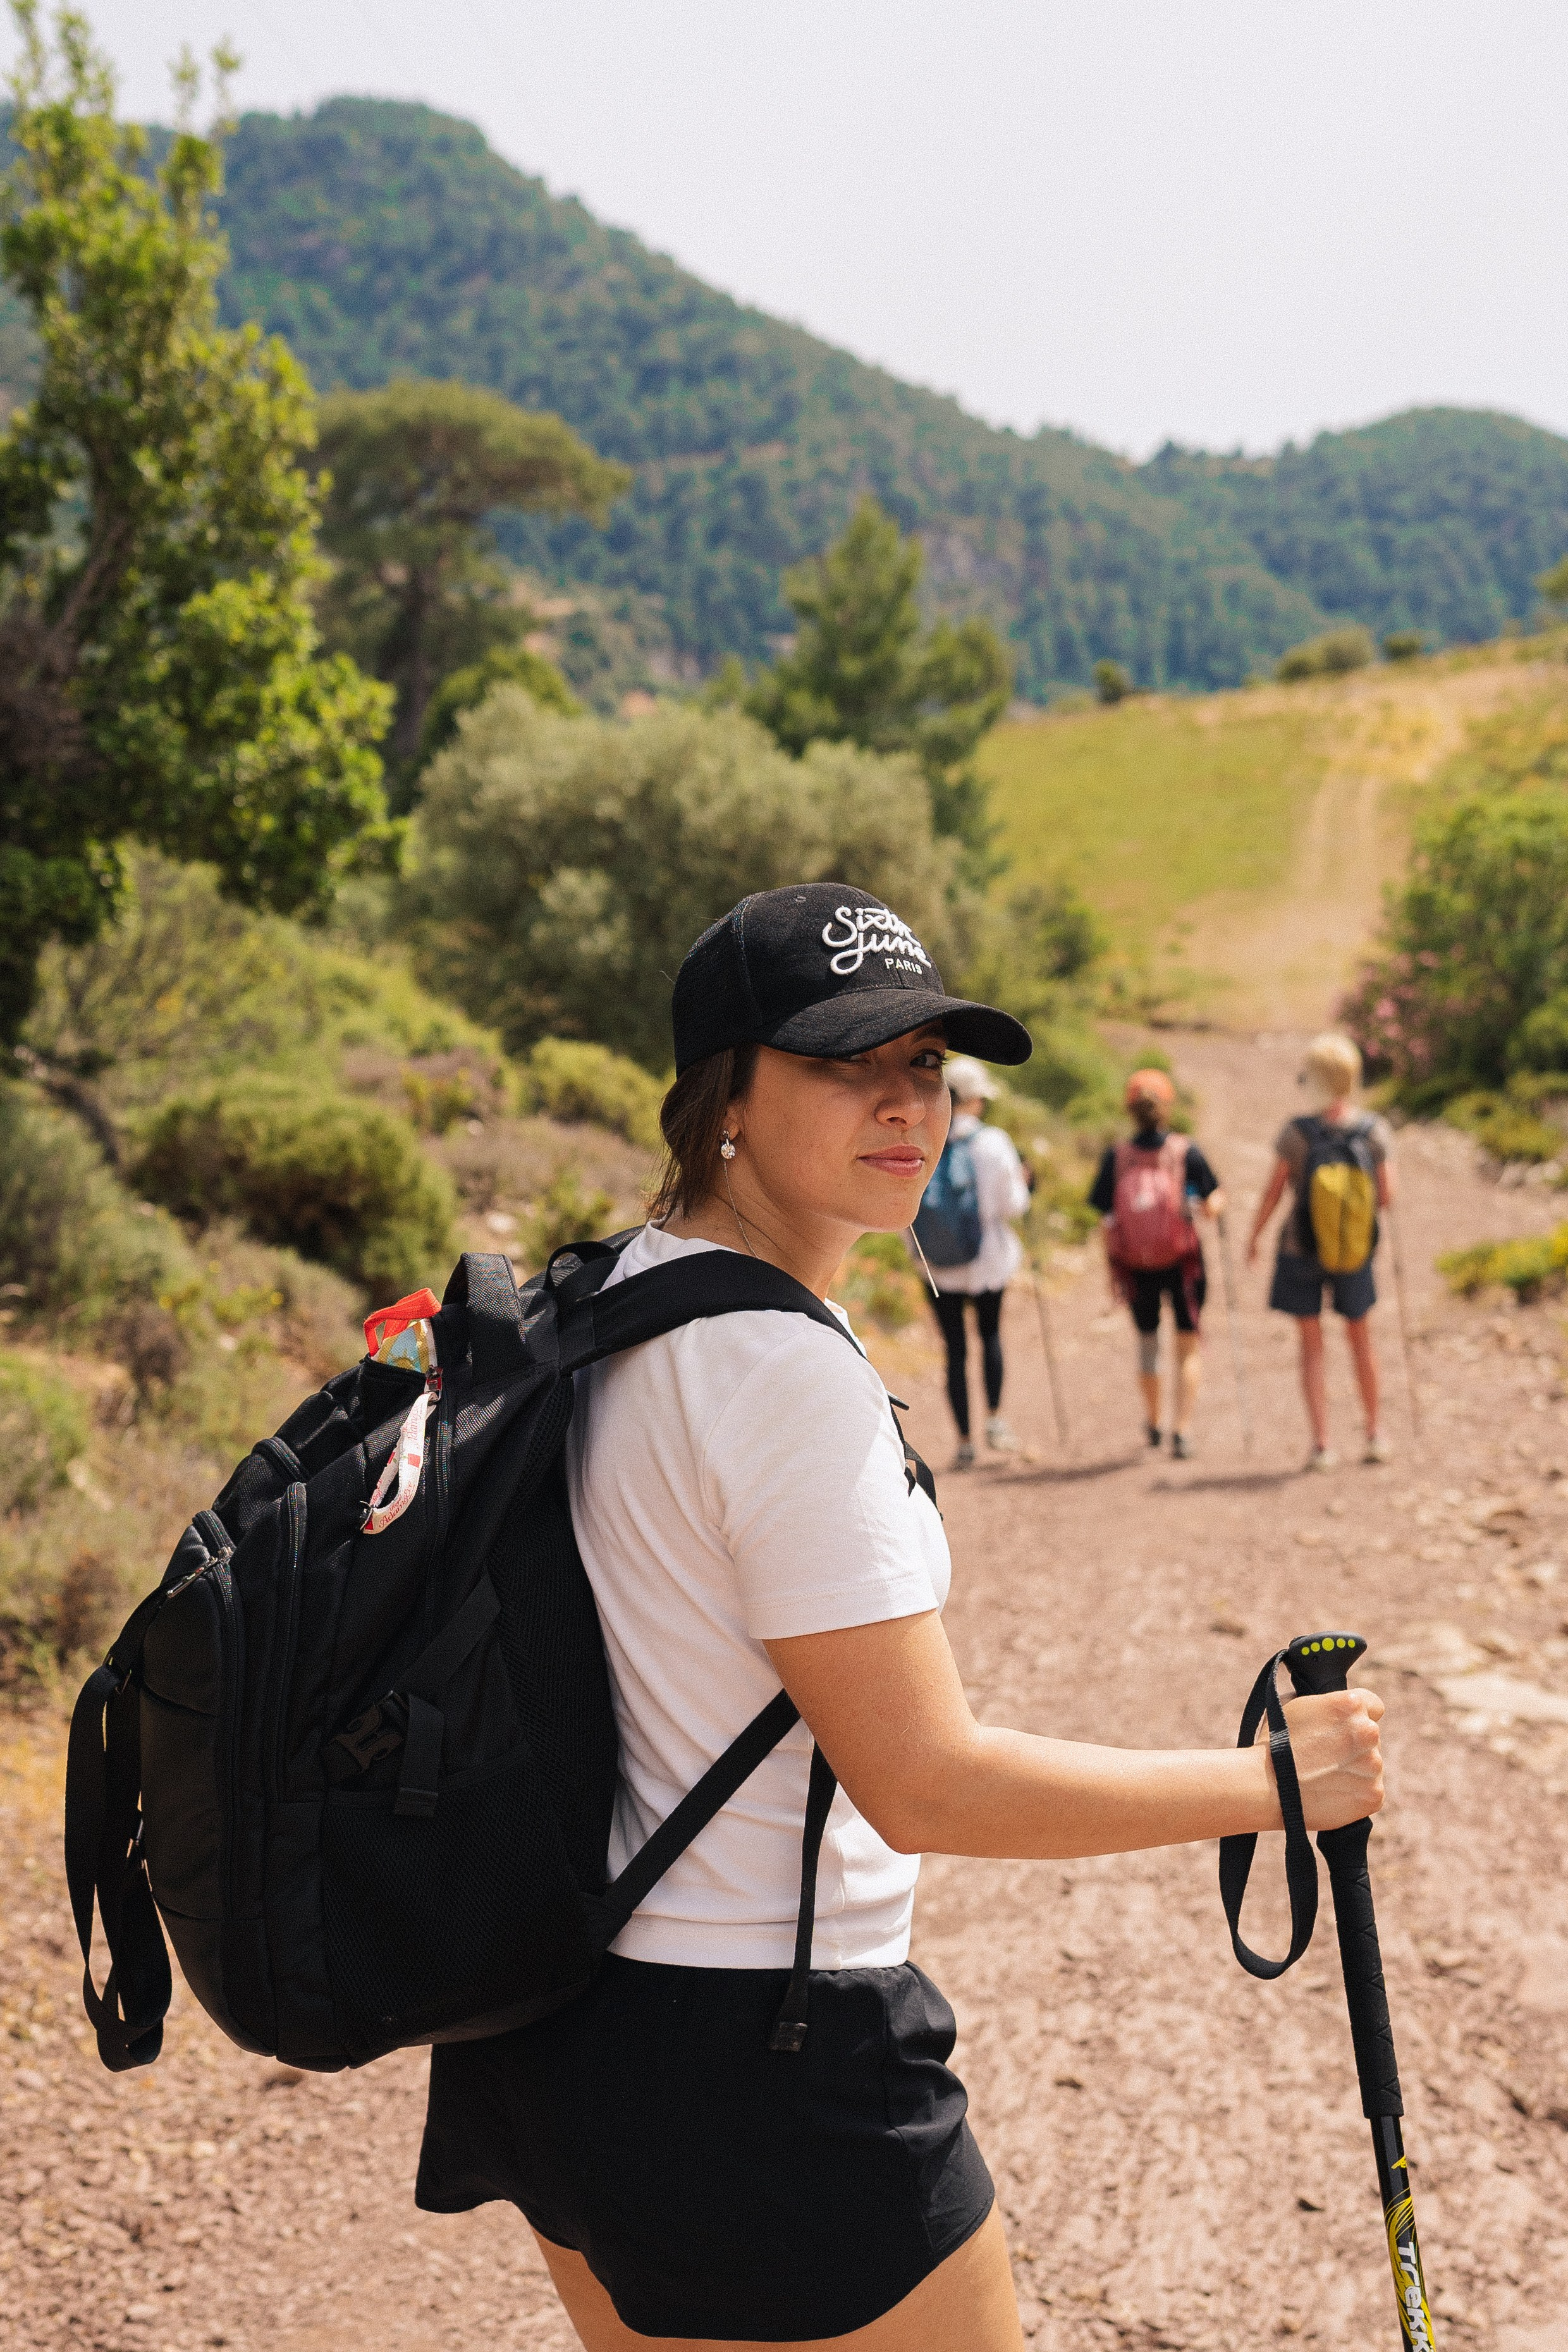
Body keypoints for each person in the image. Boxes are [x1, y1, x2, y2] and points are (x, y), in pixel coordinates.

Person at [417, 883, 1387, 2351]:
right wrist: (1273, 1785)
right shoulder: (778, 1372)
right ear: (722, 1099)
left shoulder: (601, 1301)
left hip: (548, 2025)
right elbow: (925, 1782)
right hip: (764, 2054)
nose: (904, 1103)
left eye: (924, 1061)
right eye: (840, 1061)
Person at [1246, 1031, 1395, 1471]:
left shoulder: (1297, 1133)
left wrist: (1255, 1235)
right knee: (1360, 1338)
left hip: (1301, 1247)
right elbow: (1387, 1197)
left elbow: (1274, 1192)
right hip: (1354, 1252)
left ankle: (1322, 1444)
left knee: (1312, 1345)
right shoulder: (1373, 1131)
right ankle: (1374, 1433)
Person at [1089, 1069, 1225, 1460]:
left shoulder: (1117, 1157)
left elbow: (1106, 1221)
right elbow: (1213, 1202)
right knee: (1187, 1345)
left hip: (1136, 1266)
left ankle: (1153, 1423)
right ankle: (1181, 1431)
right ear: (1167, 1107)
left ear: (1129, 1110)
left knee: (1148, 1344)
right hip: (1183, 1263)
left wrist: (1112, 1271)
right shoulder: (1186, 1152)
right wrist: (1212, 1207)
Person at [917, 1053, 1033, 1470]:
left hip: (935, 1268)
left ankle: (964, 1441)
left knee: (954, 1351)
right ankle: (996, 1422)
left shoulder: (923, 1139)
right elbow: (1014, 1206)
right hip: (989, 1264)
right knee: (990, 1335)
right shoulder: (993, 1143)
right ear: (971, 1099)